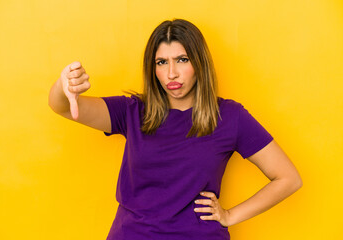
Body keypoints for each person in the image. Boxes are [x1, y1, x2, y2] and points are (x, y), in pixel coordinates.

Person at [48, 19, 302, 240]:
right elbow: (61, 107)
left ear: (199, 63)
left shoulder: (229, 117)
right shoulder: (132, 111)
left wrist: (231, 215)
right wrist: (63, 85)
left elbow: (288, 178)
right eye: (161, 62)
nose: (171, 73)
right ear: (153, 68)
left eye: (182, 59)